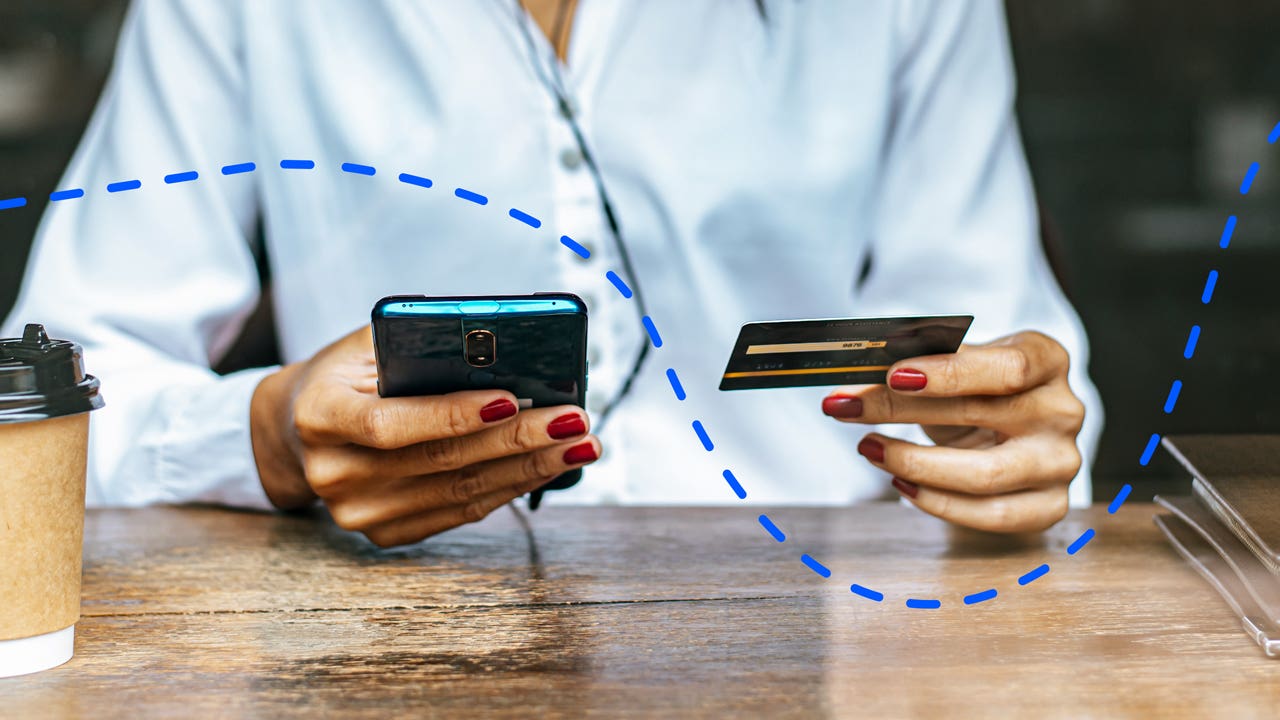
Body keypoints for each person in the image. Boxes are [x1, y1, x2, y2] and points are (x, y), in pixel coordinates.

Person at [3, 0, 1101, 546]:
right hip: (389, 638)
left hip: (815, 629)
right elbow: (38, 409)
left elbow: (1013, 389)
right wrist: (267, 436)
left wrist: (1008, 444)